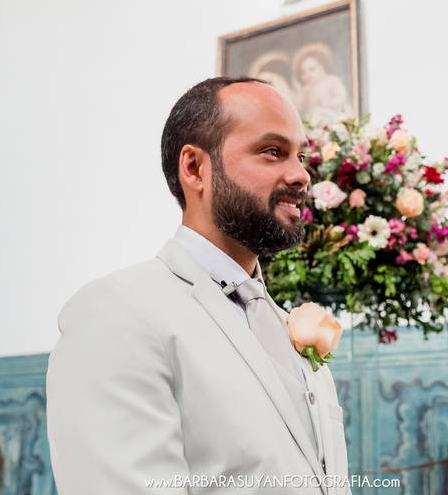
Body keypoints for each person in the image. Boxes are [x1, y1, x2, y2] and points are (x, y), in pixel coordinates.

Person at [46, 77, 351, 494]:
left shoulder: (286, 325)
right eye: (272, 152)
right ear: (194, 168)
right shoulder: (116, 313)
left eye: (301, 156)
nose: (301, 175)